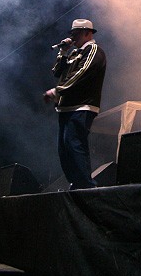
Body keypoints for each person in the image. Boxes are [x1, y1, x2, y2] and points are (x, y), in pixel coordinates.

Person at [43, 18, 107, 189]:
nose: (72, 38)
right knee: (64, 148)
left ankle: (86, 185)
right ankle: (76, 183)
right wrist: (63, 52)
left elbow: (82, 74)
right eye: (71, 34)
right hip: (66, 107)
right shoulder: (74, 53)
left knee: (74, 143)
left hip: (82, 106)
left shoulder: (93, 50)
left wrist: (57, 91)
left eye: (76, 34)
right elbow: (57, 72)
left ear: (87, 33)